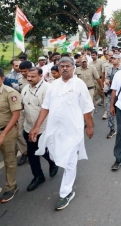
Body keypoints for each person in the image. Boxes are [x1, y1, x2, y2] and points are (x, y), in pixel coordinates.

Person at [29, 57, 94, 210]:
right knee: (54, 154)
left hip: (73, 130)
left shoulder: (79, 85)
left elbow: (86, 108)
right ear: (58, 68)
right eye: (61, 66)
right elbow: (46, 107)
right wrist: (37, 127)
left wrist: (89, 126)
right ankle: (62, 174)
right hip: (55, 129)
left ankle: (66, 193)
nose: (64, 68)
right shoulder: (53, 86)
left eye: (67, 66)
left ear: (73, 67)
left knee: (70, 160)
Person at [21, 67, 58, 192]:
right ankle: (38, 176)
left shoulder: (48, 89)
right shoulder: (25, 88)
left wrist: (36, 127)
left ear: (41, 76)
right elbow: (23, 107)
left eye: (33, 76)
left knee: (42, 150)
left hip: (43, 128)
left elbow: (46, 109)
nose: (29, 78)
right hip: (28, 127)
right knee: (33, 153)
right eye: (28, 76)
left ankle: (52, 162)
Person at [0, 68, 22, 203]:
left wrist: (2, 136)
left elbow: (16, 115)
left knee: (9, 161)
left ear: (2, 79)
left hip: (7, 133)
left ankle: (11, 187)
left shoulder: (10, 93)